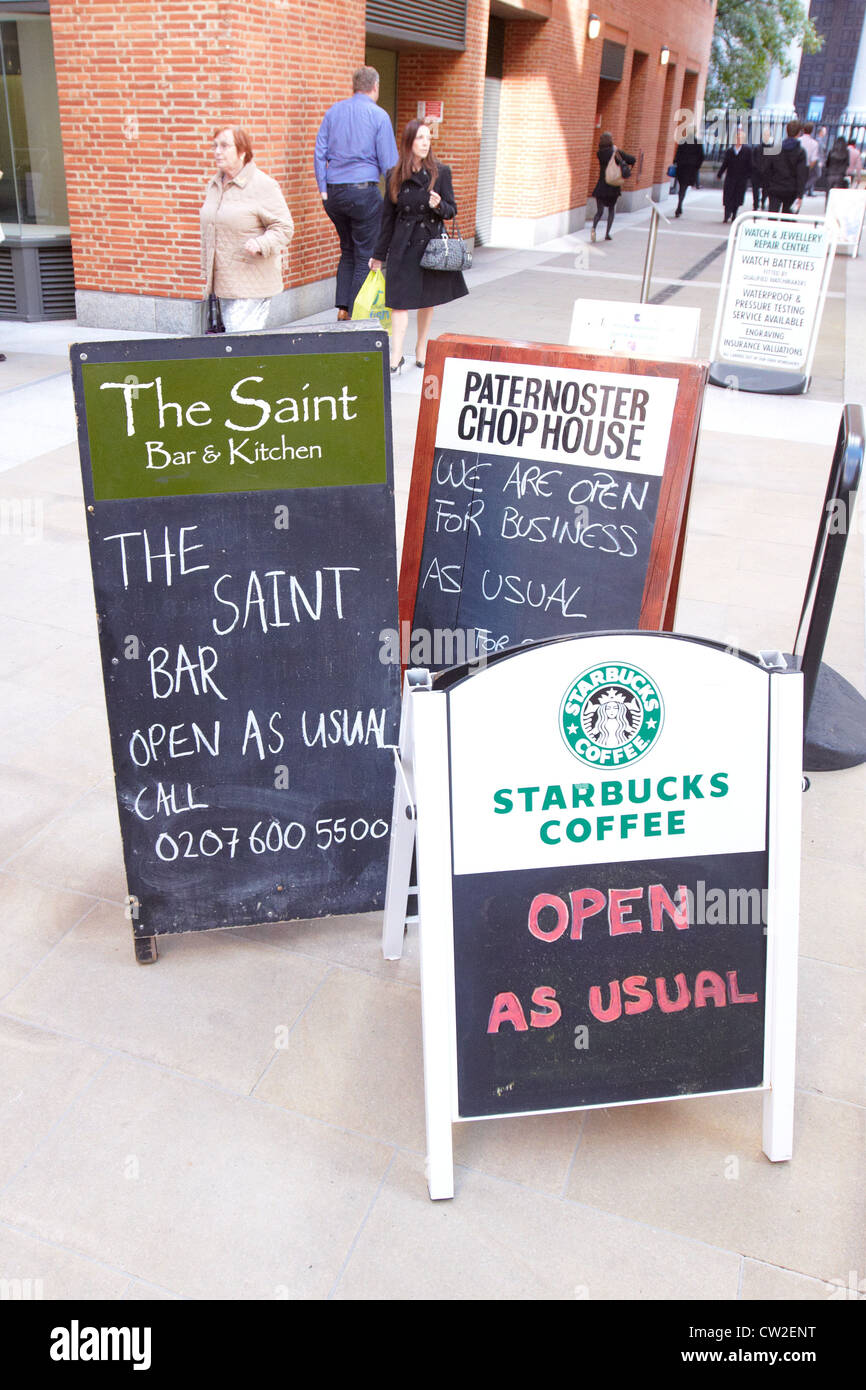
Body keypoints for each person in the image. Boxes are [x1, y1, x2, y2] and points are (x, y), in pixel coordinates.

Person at [369, 119, 468, 373]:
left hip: (430, 246)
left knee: (427, 299)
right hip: (402, 245)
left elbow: (451, 210)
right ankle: (396, 354)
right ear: (409, 142)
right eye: (420, 138)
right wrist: (378, 255)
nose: (426, 143)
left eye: (428, 138)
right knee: (399, 301)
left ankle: (421, 346)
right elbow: (387, 219)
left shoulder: (440, 172)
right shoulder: (394, 175)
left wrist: (438, 205)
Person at [314, 66, 399, 320]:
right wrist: (396, 197)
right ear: (375, 87)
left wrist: (323, 189)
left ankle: (342, 309)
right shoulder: (379, 115)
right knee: (365, 253)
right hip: (363, 193)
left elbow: (319, 152)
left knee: (348, 249)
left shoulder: (333, 112)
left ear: (354, 86)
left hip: (334, 194)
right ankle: (354, 313)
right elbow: (389, 163)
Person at [200, 127, 294, 333]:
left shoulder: (262, 185)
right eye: (215, 145)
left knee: (240, 346)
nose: (217, 151)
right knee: (228, 348)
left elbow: (284, 227)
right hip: (222, 284)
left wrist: (261, 244)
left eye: (224, 146)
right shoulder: (215, 184)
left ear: (242, 152)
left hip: (251, 284)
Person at [590, 132, 635, 241]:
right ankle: (607, 234)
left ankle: (593, 228)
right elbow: (632, 159)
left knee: (599, 212)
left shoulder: (599, 153)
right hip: (612, 186)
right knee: (611, 210)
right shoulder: (615, 152)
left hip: (601, 186)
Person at [763, 119, 806, 214]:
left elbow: (767, 169)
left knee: (772, 216)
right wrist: (800, 194)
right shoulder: (800, 152)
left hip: (775, 187)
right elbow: (801, 174)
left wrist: (767, 187)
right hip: (791, 189)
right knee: (787, 219)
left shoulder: (776, 148)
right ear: (799, 133)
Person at [716, 128, 751, 222]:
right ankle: (726, 215)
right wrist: (720, 174)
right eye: (737, 137)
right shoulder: (730, 151)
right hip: (730, 178)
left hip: (741, 179)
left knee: (737, 197)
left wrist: (748, 176)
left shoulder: (747, 151)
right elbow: (725, 163)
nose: (739, 140)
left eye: (741, 138)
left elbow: (750, 165)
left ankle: (734, 214)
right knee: (728, 196)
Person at [672, 124, 704, 217]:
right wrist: (697, 167)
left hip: (682, 168)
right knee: (684, 188)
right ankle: (680, 205)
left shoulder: (682, 141)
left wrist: (676, 162)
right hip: (691, 169)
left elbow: (677, 155)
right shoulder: (698, 142)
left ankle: (679, 204)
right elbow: (701, 156)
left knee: (682, 186)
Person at [825, 136, 851, 203]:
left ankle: (827, 207)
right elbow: (847, 163)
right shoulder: (846, 152)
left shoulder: (831, 151)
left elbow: (827, 163)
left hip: (830, 174)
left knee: (828, 193)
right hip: (840, 175)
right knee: (837, 194)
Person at [800, 122, 820, 196]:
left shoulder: (798, 140)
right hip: (806, 165)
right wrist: (809, 168)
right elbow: (814, 159)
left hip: (796, 164)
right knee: (816, 175)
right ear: (812, 131)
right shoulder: (814, 143)